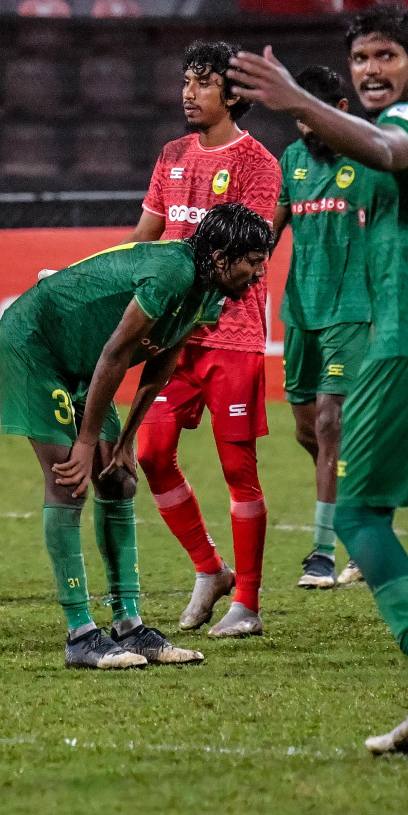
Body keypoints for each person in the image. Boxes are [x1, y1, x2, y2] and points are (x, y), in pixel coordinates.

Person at [230, 3, 408, 755]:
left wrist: (299, 101)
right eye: (361, 58)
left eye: (387, 56)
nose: (371, 71)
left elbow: (391, 150)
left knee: (361, 511)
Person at [0, 203, 272, 669]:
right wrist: (86, 443)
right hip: (35, 343)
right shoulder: (171, 271)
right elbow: (116, 352)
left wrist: (125, 439)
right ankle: (81, 635)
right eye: (253, 261)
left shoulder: (210, 292)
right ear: (223, 255)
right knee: (69, 480)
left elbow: (163, 358)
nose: (260, 272)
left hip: (82, 361)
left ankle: (129, 627)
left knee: (119, 480)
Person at [125, 40, 281, 638]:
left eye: (203, 82)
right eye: (185, 80)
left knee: (238, 469)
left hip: (231, 336)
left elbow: (252, 253)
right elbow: (146, 235)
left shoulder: (257, 163)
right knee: (150, 454)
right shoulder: (171, 154)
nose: (189, 92)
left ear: (232, 93)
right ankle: (209, 570)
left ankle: (248, 603)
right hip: (173, 338)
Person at [271, 65, 384, 590]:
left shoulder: (370, 161)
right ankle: (365, 517)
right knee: (306, 429)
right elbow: (270, 233)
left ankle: (321, 553)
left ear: (339, 111)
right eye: (297, 118)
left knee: (329, 422)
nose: (305, 128)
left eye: (312, 117)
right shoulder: (291, 161)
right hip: (301, 312)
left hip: (353, 307)